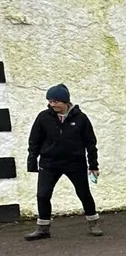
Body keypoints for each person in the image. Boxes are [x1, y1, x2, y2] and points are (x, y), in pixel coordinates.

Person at [24, 83, 102, 240]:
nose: (52, 104)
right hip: (49, 163)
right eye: (50, 101)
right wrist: (32, 160)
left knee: (84, 193)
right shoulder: (43, 117)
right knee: (43, 195)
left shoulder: (81, 118)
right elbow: (34, 141)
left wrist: (93, 165)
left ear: (66, 101)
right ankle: (43, 228)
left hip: (75, 163)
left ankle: (93, 223)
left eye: (56, 101)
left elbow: (90, 143)